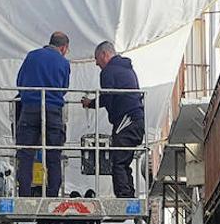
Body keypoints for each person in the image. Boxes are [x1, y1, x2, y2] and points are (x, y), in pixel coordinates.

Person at [83, 41, 144, 198]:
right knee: (124, 160)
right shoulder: (127, 70)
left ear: (105, 54)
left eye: (97, 58)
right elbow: (110, 95)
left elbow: (108, 96)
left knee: (117, 160)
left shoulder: (108, 72)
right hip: (136, 118)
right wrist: (92, 104)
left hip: (126, 120)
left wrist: (93, 104)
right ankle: (128, 194)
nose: (97, 63)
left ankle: (124, 196)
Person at [14, 31, 71, 197]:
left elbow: (20, 82)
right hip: (53, 111)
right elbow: (64, 88)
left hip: (30, 108)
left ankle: (24, 194)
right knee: (53, 153)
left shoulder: (31, 56)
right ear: (63, 47)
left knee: (26, 153)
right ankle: (53, 194)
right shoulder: (63, 62)